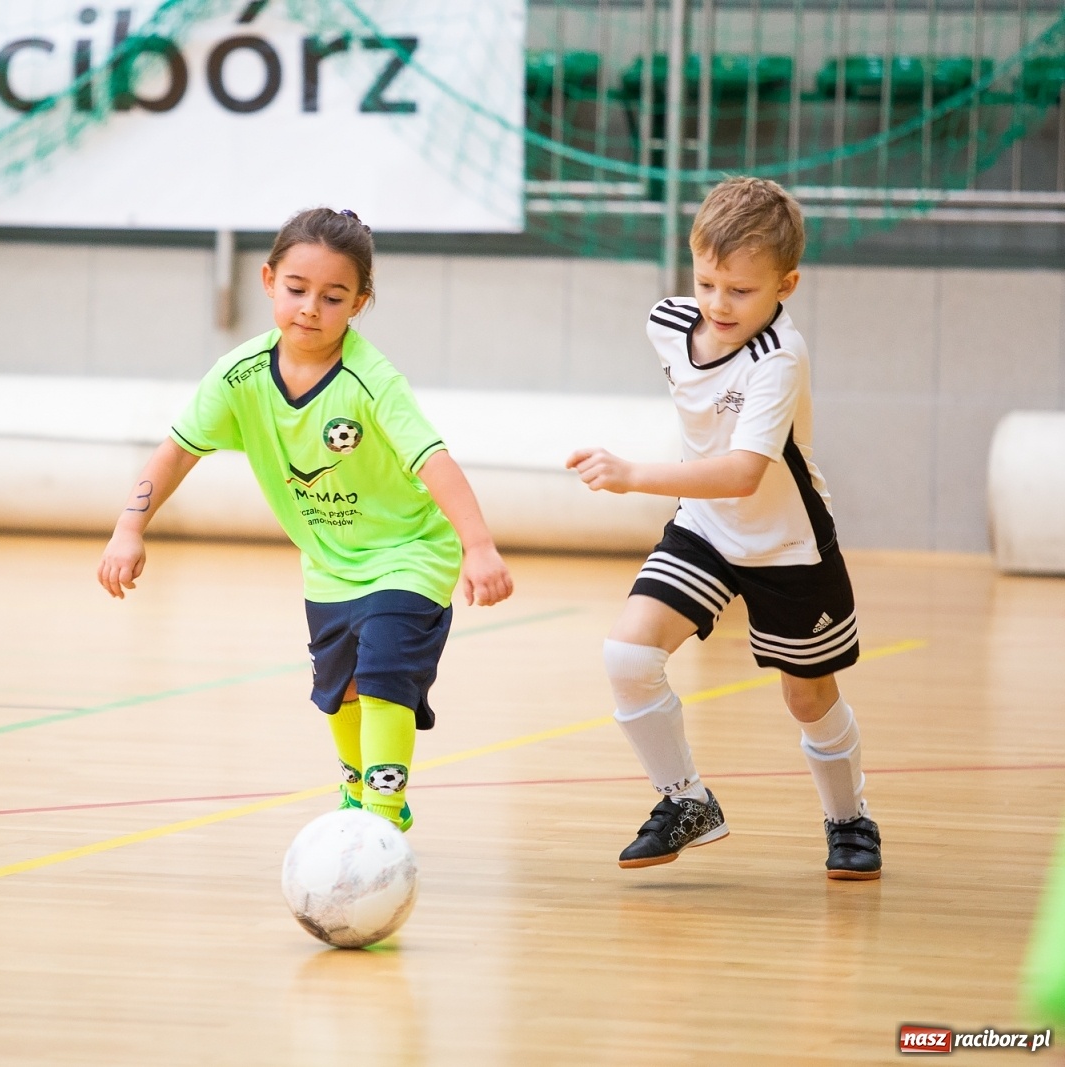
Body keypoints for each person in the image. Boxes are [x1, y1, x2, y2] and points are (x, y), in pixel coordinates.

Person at [97, 207, 513, 831]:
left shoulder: (372, 382)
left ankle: (382, 812)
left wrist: (478, 547)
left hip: (410, 554)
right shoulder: (241, 376)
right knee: (341, 693)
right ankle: (354, 794)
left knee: (381, 679)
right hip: (328, 566)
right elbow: (178, 449)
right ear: (268, 281)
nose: (310, 308)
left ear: (359, 304)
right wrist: (129, 527)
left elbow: (435, 461)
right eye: (296, 290)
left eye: (333, 296)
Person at [566, 176, 882, 879]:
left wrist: (631, 474)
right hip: (706, 530)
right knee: (627, 656)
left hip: (787, 544)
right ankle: (686, 801)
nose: (718, 303)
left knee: (807, 694)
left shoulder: (778, 357)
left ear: (786, 284)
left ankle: (849, 818)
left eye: (740, 290)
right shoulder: (669, 324)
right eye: (707, 281)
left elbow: (742, 472)